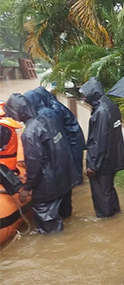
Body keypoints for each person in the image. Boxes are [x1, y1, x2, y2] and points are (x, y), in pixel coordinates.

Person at [3, 93, 80, 233]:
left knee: (47, 222)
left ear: (19, 111)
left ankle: (56, 242)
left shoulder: (30, 133)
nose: (13, 118)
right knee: (65, 213)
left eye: (13, 114)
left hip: (48, 186)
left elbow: (34, 164)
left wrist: (26, 188)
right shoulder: (45, 120)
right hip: (64, 178)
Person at [79, 77, 124, 218]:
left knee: (101, 193)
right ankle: (115, 214)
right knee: (108, 189)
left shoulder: (101, 112)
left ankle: (106, 219)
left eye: (85, 94)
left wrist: (93, 165)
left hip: (103, 161)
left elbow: (99, 141)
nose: (84, 97)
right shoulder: (111, 106)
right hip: (113, 158)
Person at [34, 86, 85, 183]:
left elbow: (57, 128)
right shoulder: (51, 105)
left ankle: (77, 182)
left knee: (75, 162)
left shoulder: (55, 108)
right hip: (71, 135)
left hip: (72, 137)